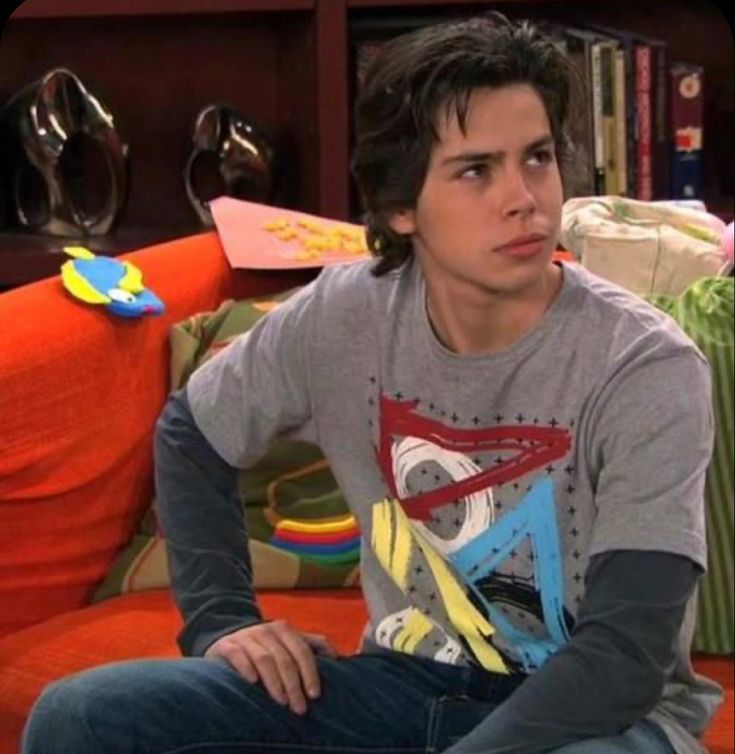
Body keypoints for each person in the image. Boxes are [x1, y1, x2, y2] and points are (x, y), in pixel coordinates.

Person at [22, 13, 722, 754]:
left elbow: (623, 659)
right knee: (84, 718)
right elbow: (192, 431)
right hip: (401, 683)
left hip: (598, 722)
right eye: (476, 169)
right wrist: (223, 621)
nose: (524, 198)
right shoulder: (344, 315)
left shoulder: (645, 365)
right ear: (398, 205)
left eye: (538, 158)